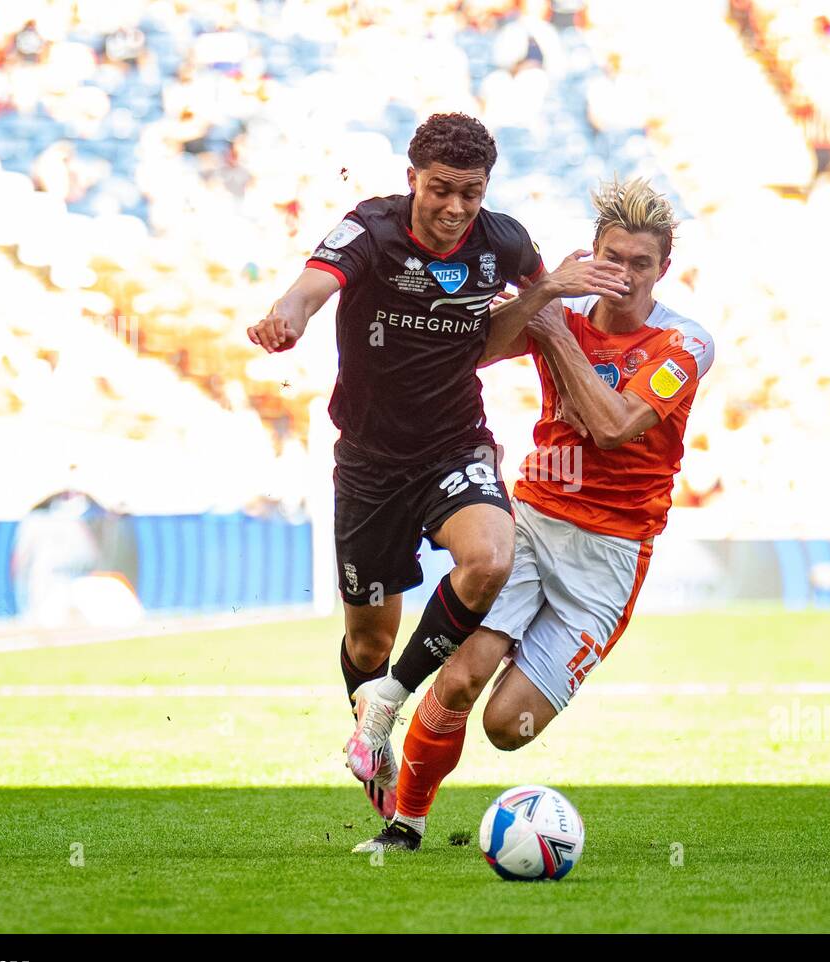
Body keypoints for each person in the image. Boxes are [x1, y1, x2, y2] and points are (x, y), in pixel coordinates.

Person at [246, 113, 627, 819]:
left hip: (455, 445)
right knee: (369, 639)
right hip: (367, 464)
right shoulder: (371, 229)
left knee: (490, 558)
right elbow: (309, 287)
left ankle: (388, 701)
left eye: (472, 193)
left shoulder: (505, 243)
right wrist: (288, 317)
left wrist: (543, 293)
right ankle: (371, 736)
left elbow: (499, 342)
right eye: (441, 190)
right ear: (412, 179)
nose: (456, 209)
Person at [353, 177, 714, 852]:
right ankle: (404, 826)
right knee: (458, 676)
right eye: (614, 259)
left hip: (608, 557)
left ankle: (503, 670)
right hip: (535, 522)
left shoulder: (685, 345)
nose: (627, 276)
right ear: (593, 253)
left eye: (642, 264)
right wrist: (538, 301)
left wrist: (555, 331)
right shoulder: (562, 306)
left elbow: (614, 427)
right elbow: (479, 351)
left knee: (505, 725)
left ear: (664, 268)